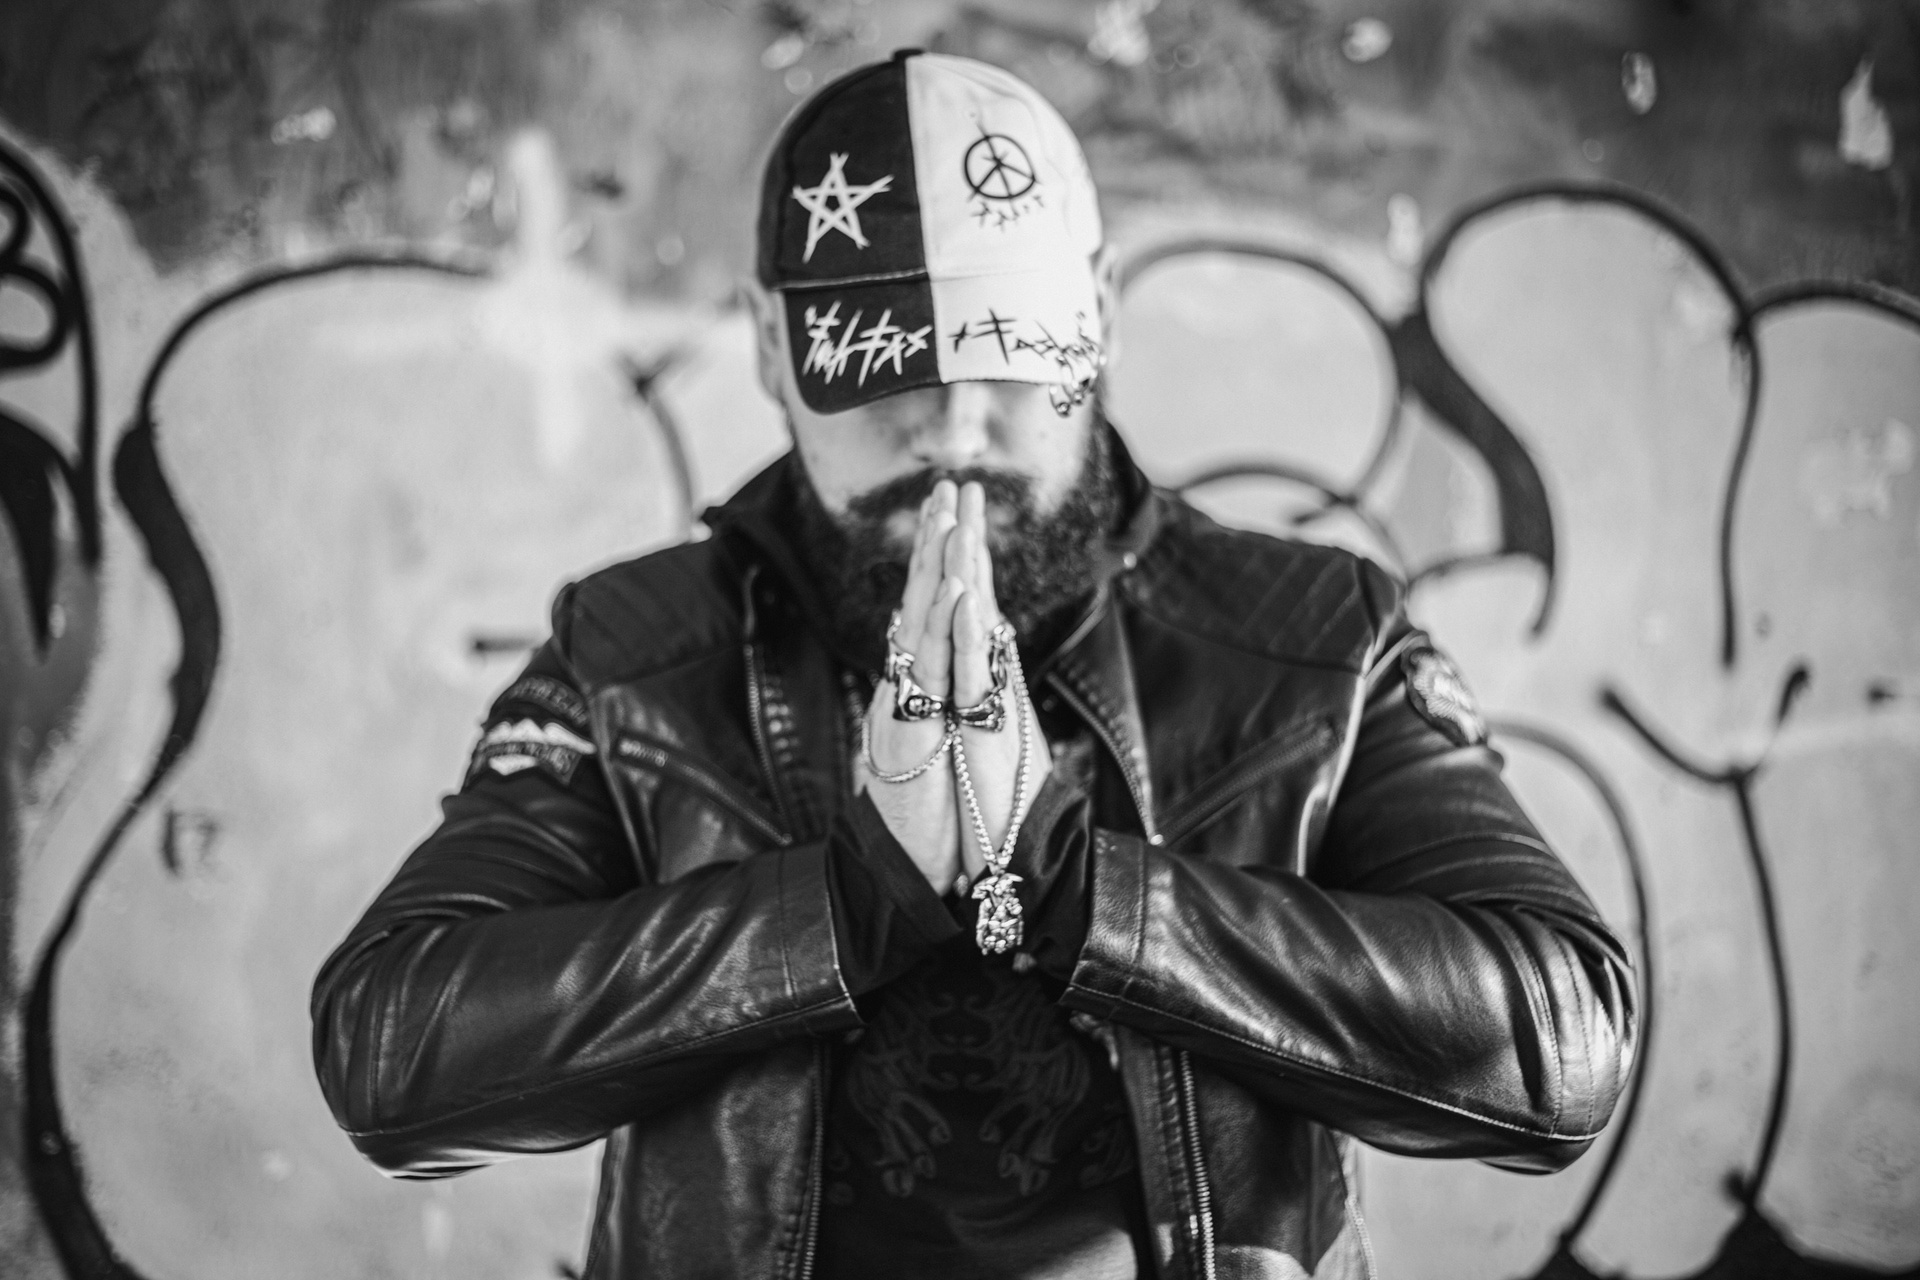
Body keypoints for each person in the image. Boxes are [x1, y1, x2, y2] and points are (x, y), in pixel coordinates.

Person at [312, 50, 1635, 1280]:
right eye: (880, 360)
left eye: (1009, 348)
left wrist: (1069, 884)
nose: (952, 425)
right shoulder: (635, 656)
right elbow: (392, 1048)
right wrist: (851, 903)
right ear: (771, 345)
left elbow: (1560, 1041)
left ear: (1097, 316)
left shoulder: (1312, 642)